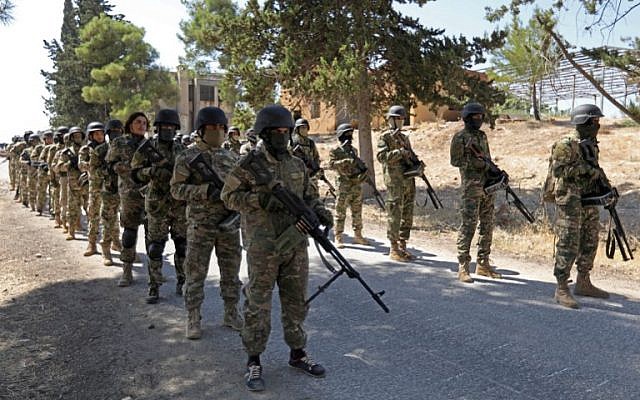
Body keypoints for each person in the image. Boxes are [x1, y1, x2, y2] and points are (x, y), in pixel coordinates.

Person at [221, 105, 333, 392]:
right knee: (258, 303)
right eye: (277, 132)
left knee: (296, 301)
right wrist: (259, 200)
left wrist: (319, 211)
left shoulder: (296, 164)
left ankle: (297, 353)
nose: (283, 137)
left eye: (287, 132)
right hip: (263, 245)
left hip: (295, 243)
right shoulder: (248, 165)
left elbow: (309, 195)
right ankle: (254, 359)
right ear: (265, 134)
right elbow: (228, 196)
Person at [170, 106, 243, 337]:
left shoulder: (231, 156)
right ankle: (193, 317)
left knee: (231, 271)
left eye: (221, 128)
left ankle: (231, 312)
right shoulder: (187, 156)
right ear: (201, 130)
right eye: (212, 128)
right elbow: (176, 190)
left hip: (229, 225)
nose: (218, 132)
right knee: (195, 272)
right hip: (200, 225)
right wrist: (203, 191)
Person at [547, 104, 610, 309]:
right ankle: (562, 287)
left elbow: (595, 169)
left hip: (588, 197)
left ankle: (583, 280)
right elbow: (560, 171)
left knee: (591, 238)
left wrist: (606, 188)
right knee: (568, 241)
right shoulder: (566, 144)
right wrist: (588, 171)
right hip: (569, 197)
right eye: (594, 121)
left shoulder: (590, 143)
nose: (597, 124)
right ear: (583, 121)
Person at [131, 109, 187, 304]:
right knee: (155, 247)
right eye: (164, 127)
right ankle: (154, 286)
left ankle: (183, 281)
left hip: (179, 205)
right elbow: (135, 173)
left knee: (182, 245)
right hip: (157, 205)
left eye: (171, 127)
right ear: (158, 128)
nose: (167, 130)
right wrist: (152, 171)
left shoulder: (182, 150)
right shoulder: (147, 148)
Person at [449, 102, 502, 283]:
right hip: (471, 188)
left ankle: (483, 263)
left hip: (487, 187)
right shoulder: (460, 137)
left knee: (487, 225)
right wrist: (475, 164)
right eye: (475, 117)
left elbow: (486, 158)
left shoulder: (482, 136)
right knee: (468, 226)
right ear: (467, 118)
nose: (478, 120)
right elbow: (455, 161)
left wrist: (495, 171)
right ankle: (463, 266)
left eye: (481, 116)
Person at [106, 112, 150, 287]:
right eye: (138, 122)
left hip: (149, 195)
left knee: (152, 235)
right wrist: (129, 168)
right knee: (130, 234)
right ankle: (127, 272)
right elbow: (110, 164)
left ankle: (154, 275)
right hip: (129, 194)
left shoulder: (150, 144)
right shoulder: (119, 142)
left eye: (144, 123)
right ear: (130, 124)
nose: (141, 125)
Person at [376, 105, 416, 262]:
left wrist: (416, 164)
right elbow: (381, 157)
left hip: (408, 180)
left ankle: (403, 245)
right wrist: (399, 152)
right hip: (394, 181)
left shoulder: (404, 138)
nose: (400, 121)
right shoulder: (385, 137)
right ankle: (393, 248)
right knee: (395, 214)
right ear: (390, 120)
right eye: (397, 118)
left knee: (407, 214)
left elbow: (411, 155)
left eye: (402, 119)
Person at [328, 123, 371, 248]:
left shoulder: (354, 150)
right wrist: (345, 161)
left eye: (350, 134)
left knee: (357, 211)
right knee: (340, 212)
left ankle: (358, 235)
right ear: (340, 135)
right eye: (346, 134)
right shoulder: (335, 151)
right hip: (343, 185)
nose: (349, 137)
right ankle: (338, 236)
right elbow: (331, 165)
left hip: (355, 184)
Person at [93, 119, 124, 266]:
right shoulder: (100, 151)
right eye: (113, 132)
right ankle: (106, 250)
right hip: (109, 190)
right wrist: (109, 170)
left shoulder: (127, 149)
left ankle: (118, 244)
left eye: (118, 132)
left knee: (124, 221)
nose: (116, 135)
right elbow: (93, 172)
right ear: (108, 134)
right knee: (107, 221)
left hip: (124, 190)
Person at [79, 122, 107, 256]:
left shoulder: (109, 148)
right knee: (93, 215)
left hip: (109, 186)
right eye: (96, 133)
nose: (100, 136)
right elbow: (81, 165)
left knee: (111, 217)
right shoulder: (86, 149)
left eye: (101, 133)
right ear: (91, 135)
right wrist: (93, 163)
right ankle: (92, 243)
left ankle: (113, 242)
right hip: (94, 187)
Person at [56, 126, 86, 240]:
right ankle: (71, 231)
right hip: (73, 184)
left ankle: (89, 229)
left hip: (86, 183)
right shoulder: (66, 152)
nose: (78, 138)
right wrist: (69, 164)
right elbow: (58, 167)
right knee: (72, 208)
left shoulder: (86, 150)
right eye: (75, 136)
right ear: (72, 138)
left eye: (79, 136)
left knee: (90, 208)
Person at [35, 130, 54, 216]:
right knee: (41, 191)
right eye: (48, 138)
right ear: (44, 139)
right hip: (43, 172)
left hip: (53, 173)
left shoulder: (55, 147)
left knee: (53, 192)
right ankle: (39, 209)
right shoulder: (40, 148)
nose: (50, 140)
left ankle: (52, 210)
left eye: (51, 138)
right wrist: (43, 164)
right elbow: (35, 157)